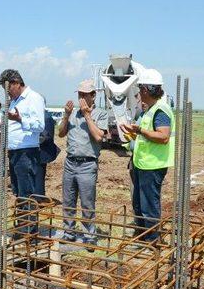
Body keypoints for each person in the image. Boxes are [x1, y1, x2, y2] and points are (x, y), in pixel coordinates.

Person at [119, 69, 174, 242]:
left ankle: (152, 240)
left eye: (140, 89)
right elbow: (145, 136)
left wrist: (140, 130)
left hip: (153, 165)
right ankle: (143, 235)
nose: (139, 94)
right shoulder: (150, 110)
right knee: (139, 202)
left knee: (149, 204)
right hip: (143, 163)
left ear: (145, 90)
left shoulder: (160, 111)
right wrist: (132, 133)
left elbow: (163, 136)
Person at [58, 79, 107, 246]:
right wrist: (66, 115)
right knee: (68, 200)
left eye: (84, 95)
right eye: (79, 94)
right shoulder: (72, 114)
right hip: (71, 163)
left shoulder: (100, 114)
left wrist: (87, 115)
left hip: (87, 164)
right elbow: (61, 133)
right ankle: (69, 232)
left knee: (87, 201)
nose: (81, 98)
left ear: (93, 95)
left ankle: (90, 236)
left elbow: (99, 136)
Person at [0, 69, 45, 236]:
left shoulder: (34, 98)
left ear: (17, 83)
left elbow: (40, 125)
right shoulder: (14, 101)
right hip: (15, 152)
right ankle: (22, 227)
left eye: (8, 88)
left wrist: (19, 119)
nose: (7, 92)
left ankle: (29, 232)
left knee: (27, 193)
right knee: (18, 192)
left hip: (27, 153)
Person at [36, 103, 59, 196]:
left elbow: (45, 137)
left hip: (41, 153)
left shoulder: (46, 117)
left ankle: (38, 198)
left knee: (38, 177)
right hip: (38, 152)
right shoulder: (41, 115)